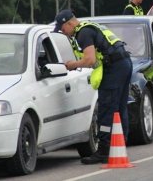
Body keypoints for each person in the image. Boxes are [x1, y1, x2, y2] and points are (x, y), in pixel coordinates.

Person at [53, 9, 133, 164]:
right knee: (119, 108)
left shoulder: (83, 33)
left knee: (106, 109)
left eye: (63, 29)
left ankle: (104, 151)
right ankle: (121, 144)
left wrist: (72, 65)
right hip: (123, 63)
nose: (64, 33)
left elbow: (89, 60)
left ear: (70, 23)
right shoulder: (91, 27)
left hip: (114, 68)